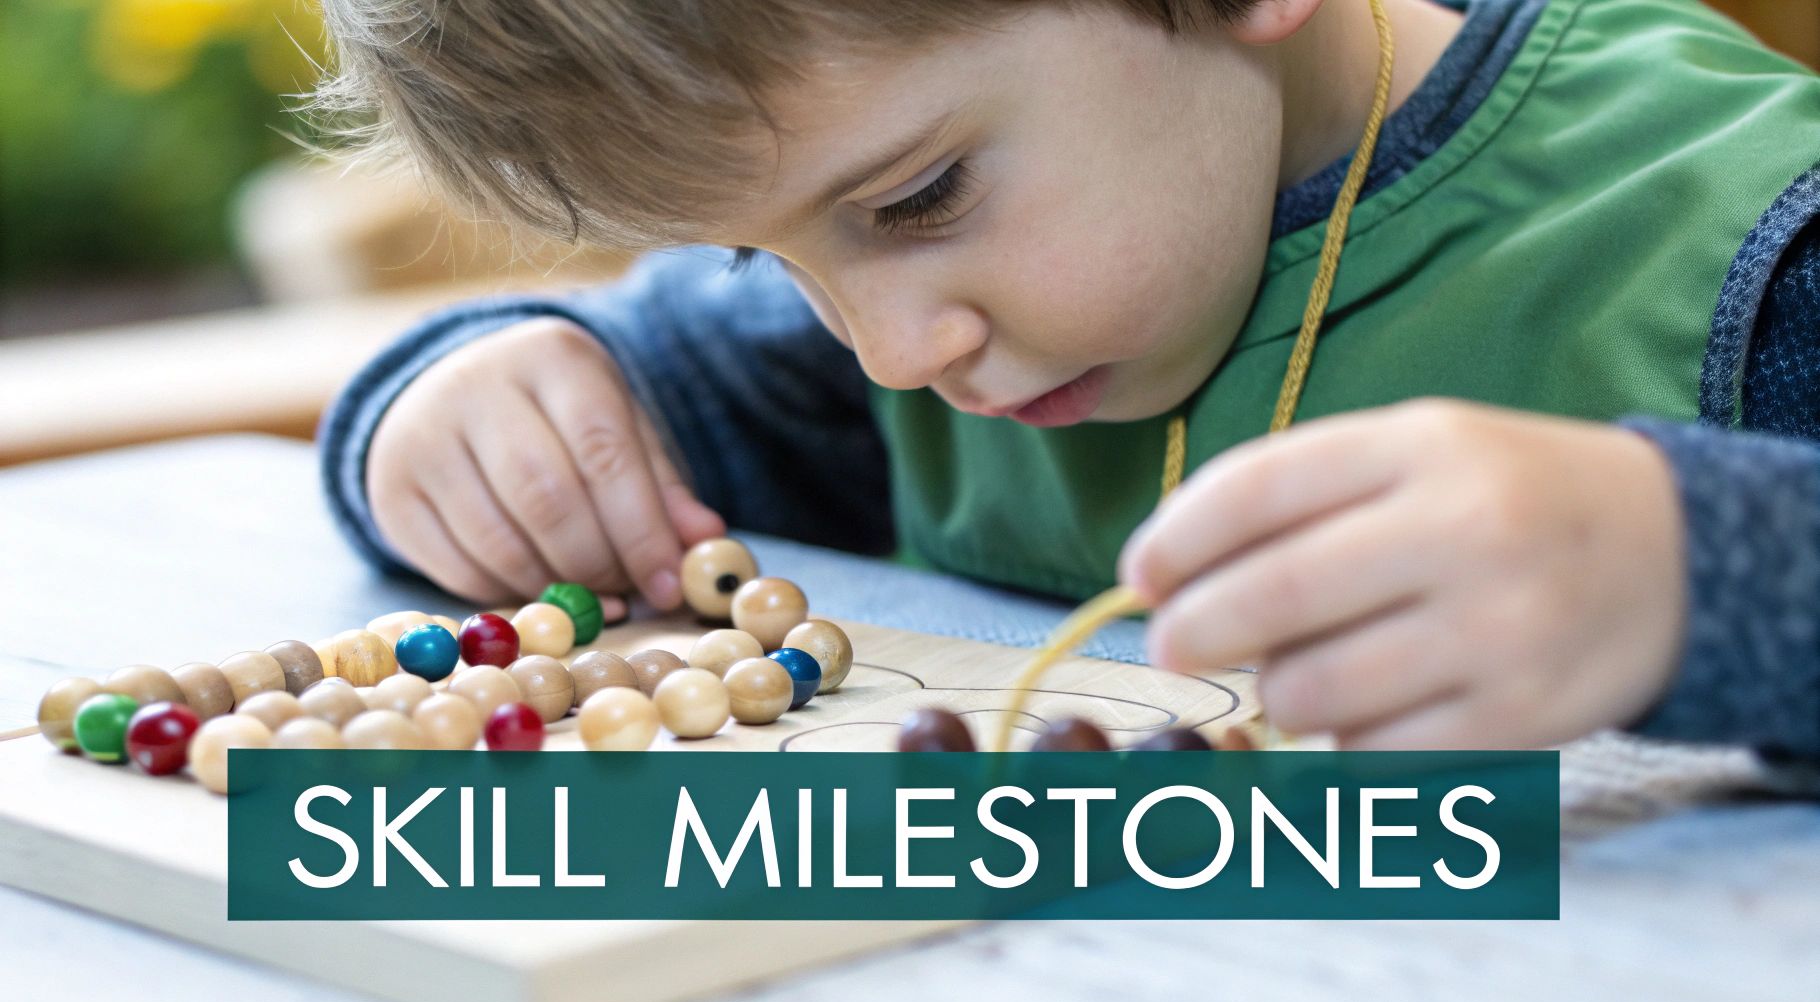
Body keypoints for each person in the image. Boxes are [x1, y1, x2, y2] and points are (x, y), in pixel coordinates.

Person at [313, 0, 1820, 757]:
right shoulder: (927, 317)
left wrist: (1693, 570)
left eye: (919, 201)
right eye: (771, 262)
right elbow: (648, 384)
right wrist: (475, 396)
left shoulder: (1750, 250)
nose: (893, 354)